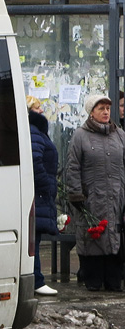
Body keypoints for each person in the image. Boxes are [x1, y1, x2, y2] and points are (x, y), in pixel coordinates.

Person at [64, 93, 125, 292]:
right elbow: (72, 167)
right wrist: (76, 195)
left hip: (116, 198)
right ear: (91, 112)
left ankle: (113, 280)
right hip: (90, 199)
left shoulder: (120, 135)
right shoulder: (80, 136)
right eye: (101, 109)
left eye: (108, 108)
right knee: (93, 238)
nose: (106, 112)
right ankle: (93, 280)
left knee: (115, 237)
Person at [26, 96, 59, 295]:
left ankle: (36, 278)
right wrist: (46, 184)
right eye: (37, 108)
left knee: (35, 236)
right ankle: (37, 279)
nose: (41, 111)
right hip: (38, 193)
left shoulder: (36, 130)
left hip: (39, 192)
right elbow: (35, 161)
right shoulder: (34, 130)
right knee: (34, 237)